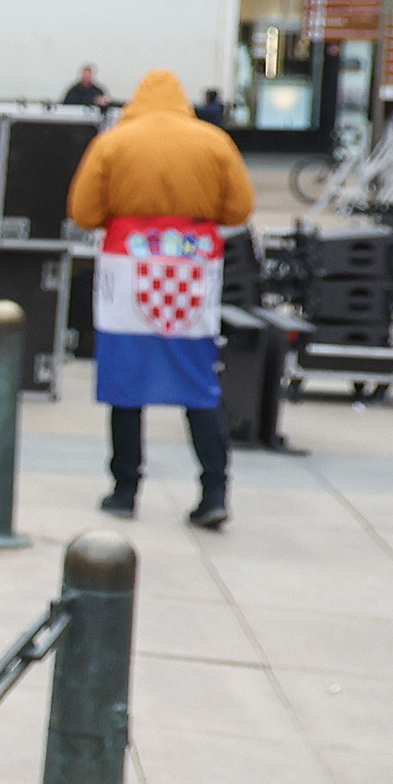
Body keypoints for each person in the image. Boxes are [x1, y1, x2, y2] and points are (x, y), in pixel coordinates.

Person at [70, 65, 254, 530]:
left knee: (126, 380)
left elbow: (85, 211)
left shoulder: (113, 142)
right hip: (191, 273)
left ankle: (124, 490)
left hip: (128, 275)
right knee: (198, 381)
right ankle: (214, 490)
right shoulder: (214, 142)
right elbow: (238, 209)